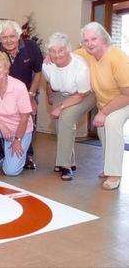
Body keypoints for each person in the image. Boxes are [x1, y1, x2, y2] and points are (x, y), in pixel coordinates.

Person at [75, 22, 129, 190]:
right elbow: (69, 55)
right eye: (86, 40)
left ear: (104, 39)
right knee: (102, 130)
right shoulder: (88, 53)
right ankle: (108, 167)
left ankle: (115, 174)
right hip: (106, 101)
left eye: (94, 39)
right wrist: (50, 56)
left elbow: (127, 94)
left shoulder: (118, 59)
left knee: (111, 122)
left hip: (124, 100)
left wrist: (103, 112)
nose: (90, 43)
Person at [0, 20, 43, 170]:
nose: (8, 41)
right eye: (4, 37)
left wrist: (31, 95)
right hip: (4, 94)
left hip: (27, 91)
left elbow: (38, 72)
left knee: (28, 121)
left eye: (12, 36)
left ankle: (28, 156)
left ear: (18, 35)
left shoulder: (31, 47)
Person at [43, 32, 96, 181]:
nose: (57, 54)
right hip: (62, 92)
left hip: (85, 94)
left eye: (61, 50)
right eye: (52, 51)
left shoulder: (80, 66)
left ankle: (64, 165)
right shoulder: (47, 64)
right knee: (60, 125)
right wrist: (51, 98)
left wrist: (60, 108)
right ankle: (69, 161)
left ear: (68, 50)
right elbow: (49, 83)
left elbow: (80, 95)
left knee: (66, 117)